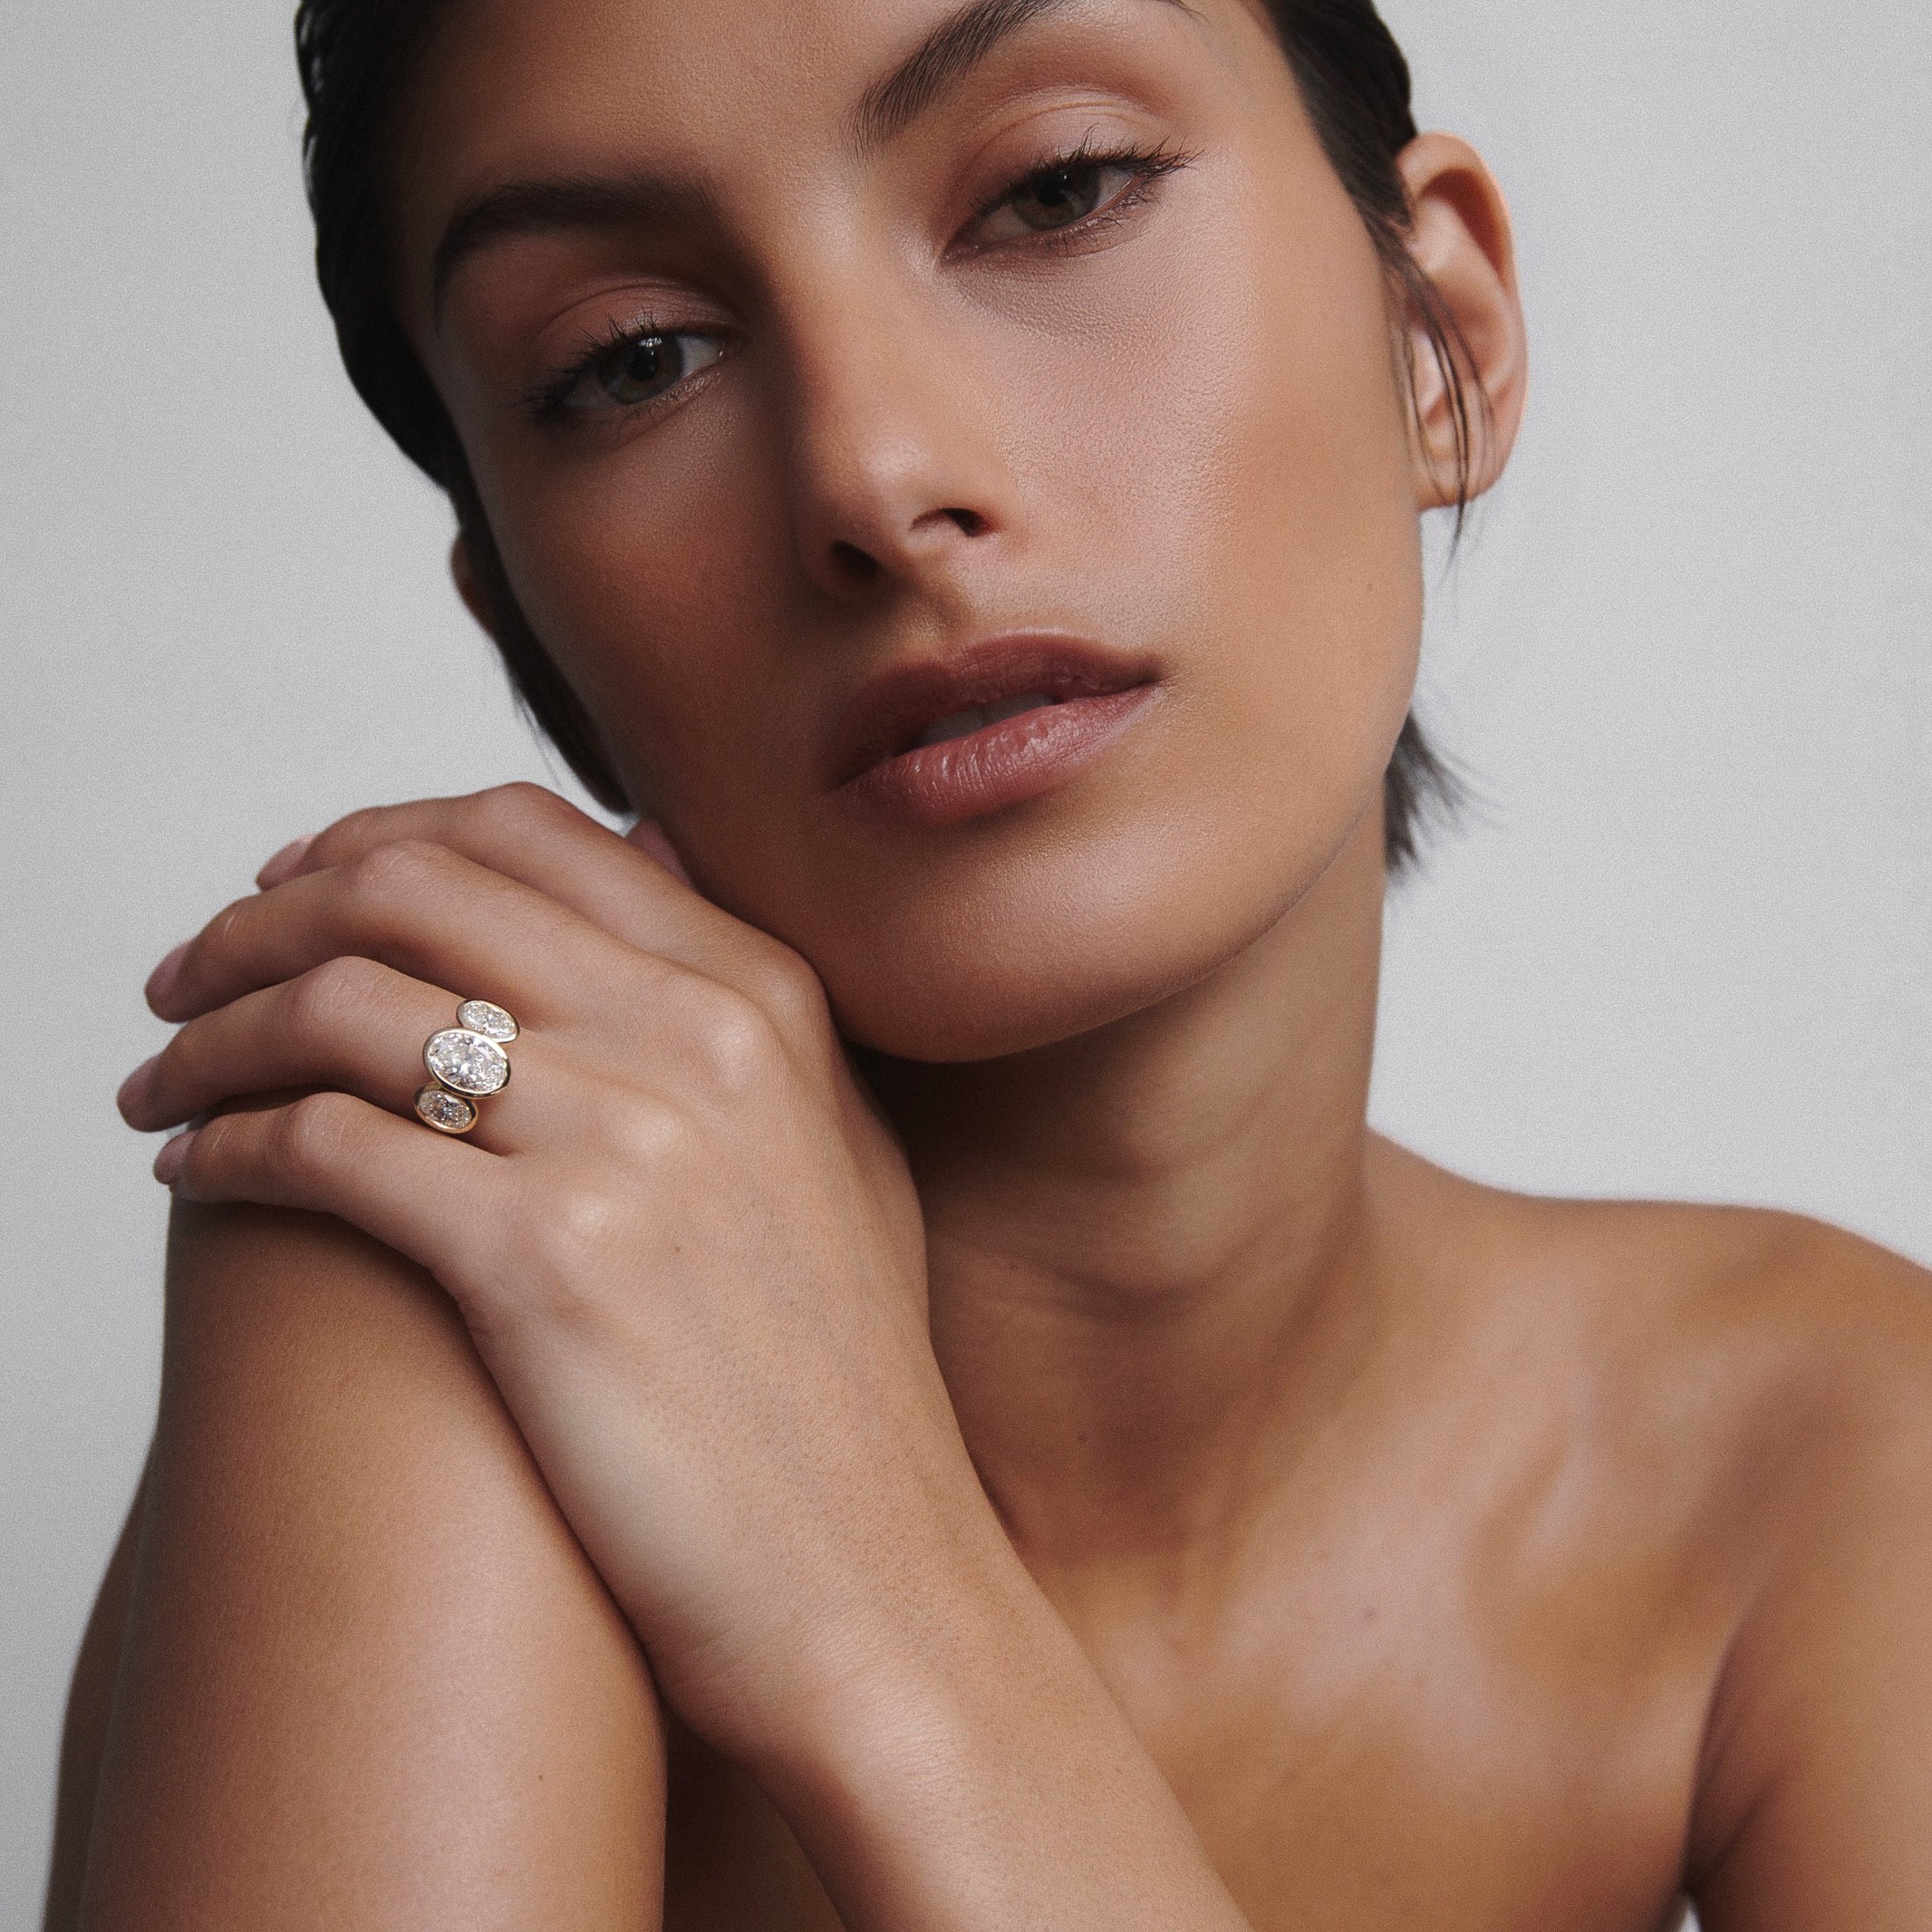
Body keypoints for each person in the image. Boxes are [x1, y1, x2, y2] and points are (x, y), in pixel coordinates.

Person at [51, 0, 1932, 1925]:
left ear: (1436, 334)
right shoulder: (457, 1219)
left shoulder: (1828, 1449)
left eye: (1054, 191)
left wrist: (885, 1611)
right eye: (631, 362)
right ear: (527, 618)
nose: (873, 469)